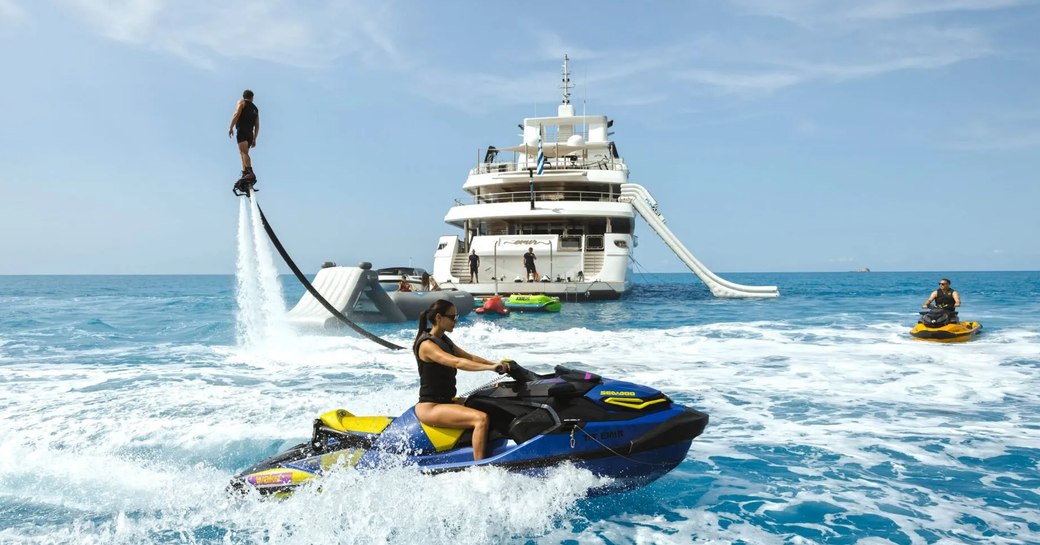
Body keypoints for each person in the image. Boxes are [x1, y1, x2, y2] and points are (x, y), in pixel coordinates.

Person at [413, 299, 510, 461]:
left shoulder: (443, 340)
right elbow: (456, 362)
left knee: (490, 404)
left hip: (448, 401)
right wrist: (490, 368)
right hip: (431, 407)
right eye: (452, 317)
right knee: (481, 419)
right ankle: (481, 468)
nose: (455, 321)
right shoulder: (427, 345)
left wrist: (495, 363)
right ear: (438, 317)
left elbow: (468, 357)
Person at [228, 89, 260, 181]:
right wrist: (254, 138)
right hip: (250, 134)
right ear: (252, 98)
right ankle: (245, 173)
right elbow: (257, 126)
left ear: (244, 96)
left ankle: (250, 173)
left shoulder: (241, 102)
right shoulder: (256, 109)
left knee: (243, 152)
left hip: (242, 130)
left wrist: (230, 127)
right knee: (243, 153)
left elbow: (236, 114)